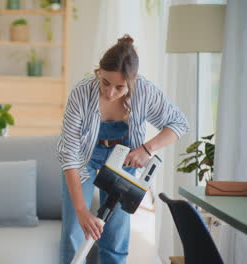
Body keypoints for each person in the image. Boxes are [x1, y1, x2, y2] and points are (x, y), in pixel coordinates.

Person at [57, 34, 189, 264]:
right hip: (83, 156)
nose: (109, 93)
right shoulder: (81, 93)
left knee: (116, 230)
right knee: (74, 229)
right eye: (105, 82)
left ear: (133, 80)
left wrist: (146, 149)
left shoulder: (145, 91)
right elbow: (69, 153)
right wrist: (81, 211)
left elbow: (179, 124)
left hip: (123, 157)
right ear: (99, 71)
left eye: (120, 87)